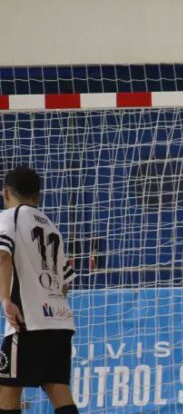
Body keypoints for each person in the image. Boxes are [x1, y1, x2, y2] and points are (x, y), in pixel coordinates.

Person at [0, 166, 78, 414]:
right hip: (60, 322)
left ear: (6, 192)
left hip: (28, 321)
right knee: (58, 389)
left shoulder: (9, 216)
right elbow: (65, 282)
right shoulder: (52, 226)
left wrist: (5, 299)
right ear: (38, 196)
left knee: (7, 389)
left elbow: (2, 255)